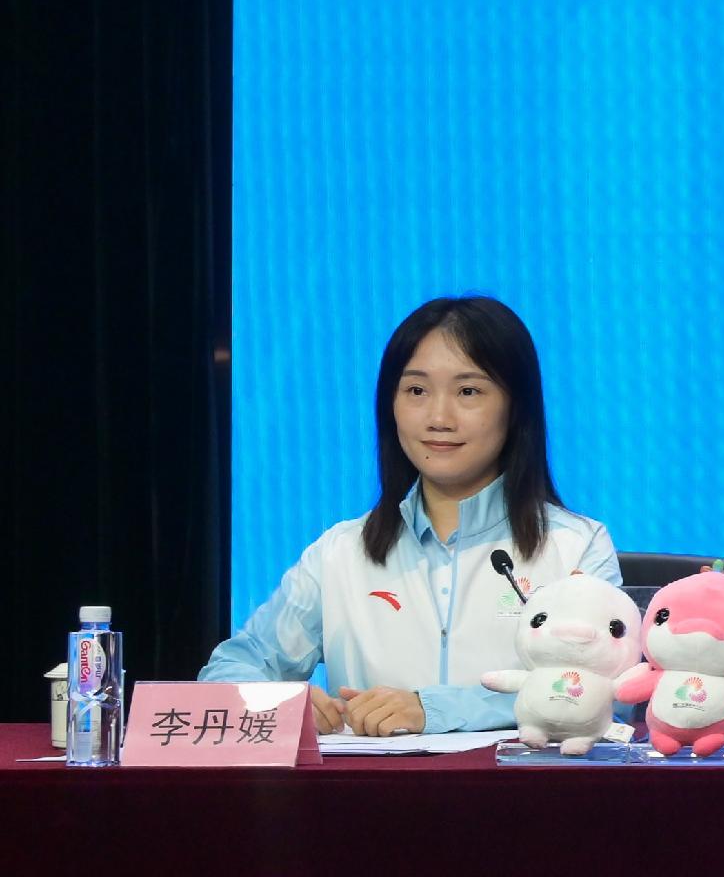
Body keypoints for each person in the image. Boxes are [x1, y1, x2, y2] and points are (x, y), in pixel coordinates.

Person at [207, 295, 625, 736]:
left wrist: (434, 710)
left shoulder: (577, 546)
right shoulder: (339, 554)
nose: (438, 417)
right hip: (369, 800)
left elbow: (603, 688)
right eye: (416, 391)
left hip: (522, 800)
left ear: (516, 407)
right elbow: (231, 668)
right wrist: (279, 704)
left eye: (468, 391)